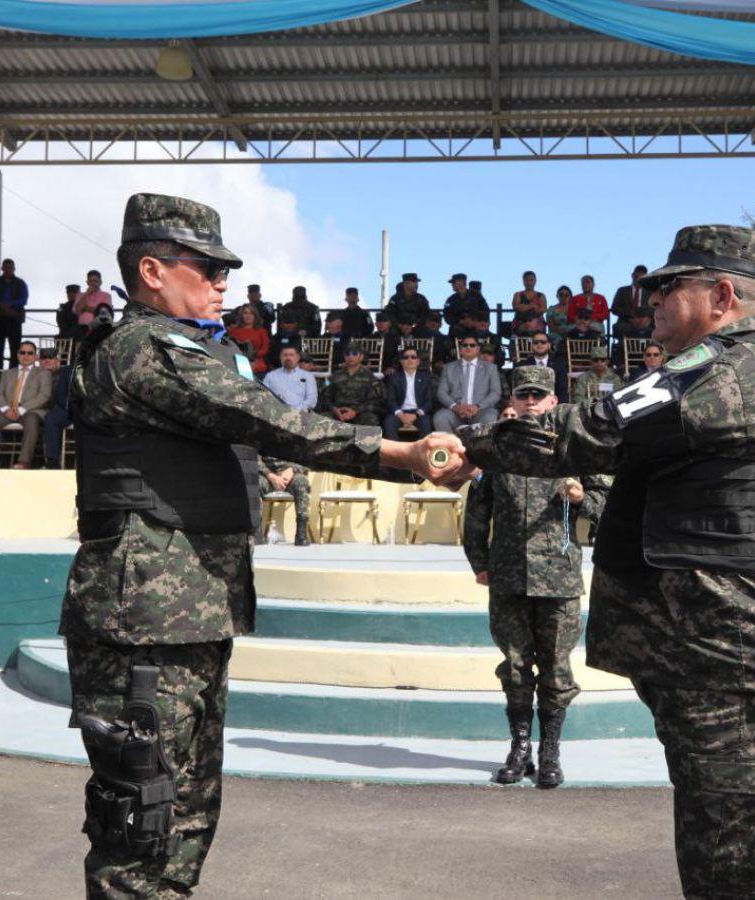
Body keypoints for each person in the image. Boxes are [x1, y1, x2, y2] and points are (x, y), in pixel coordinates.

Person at [61, 193, 463, 897]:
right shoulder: (143, 348)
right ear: (151, 270)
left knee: (186, 810)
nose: (223, 282)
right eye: (206, 266)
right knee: (141, 817)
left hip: (186, 610)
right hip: (144, 619)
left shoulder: (190, 346)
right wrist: (401, 454)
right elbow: (273, 421)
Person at [457, 225, 755, 898]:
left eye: (667, 287)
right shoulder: (738, 363)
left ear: (721, 295)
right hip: (729, 650)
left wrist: (467, 445)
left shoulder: (729, 366)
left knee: (740, 871)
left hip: (742, 655)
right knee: (725, 859)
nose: (651, 300)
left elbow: (597, 428)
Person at [463, 366, 606, 789]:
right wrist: (479, 562)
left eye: (538, 395)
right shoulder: (496, 450)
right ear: (514, 400)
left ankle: (550, 751)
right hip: (508, 574)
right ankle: (519, 747)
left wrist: (583, 498)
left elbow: (605, 503)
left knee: (557, 670)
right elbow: (476, 515)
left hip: (559, 578)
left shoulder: (575, 450)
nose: (530, 402)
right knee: (515, 667)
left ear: (553, 403)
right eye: (523, 395)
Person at [0, 341, 53, 469]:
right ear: (17, 355)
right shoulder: (8, 373)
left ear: (35, 357)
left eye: (30, 353)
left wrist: (21, 409)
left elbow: (44, 396)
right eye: (22, 352)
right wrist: (6, 410)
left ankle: (24, 462)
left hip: (30, 410)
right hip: (9, 410)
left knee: (32, 421)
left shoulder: (43, 373)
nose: (26, 356)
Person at [434, 336, 501, 432]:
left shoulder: (490, 368)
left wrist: (478, 407)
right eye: (465, 345)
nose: (468, 347)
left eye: (472, 345)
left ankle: (482, 447)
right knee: (440, 417)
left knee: (490, 418)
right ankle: (450, 446)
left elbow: (496, 393)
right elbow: (441, 392)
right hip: (456, 412)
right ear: (460, 349)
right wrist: (455, 407)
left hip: (481, 411)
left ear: (478, 349)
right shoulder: (449, 368)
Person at [318, 345, 384, 427]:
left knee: (371, 420)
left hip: (360, 414)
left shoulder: (370, 377)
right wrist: (334, 409)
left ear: (361, 357)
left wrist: (355, 411)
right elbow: (325, 398)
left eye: (355, 353)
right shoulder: (335, 376)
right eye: (347, 354)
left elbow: (377, 402)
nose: (350, 356)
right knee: (320, 420)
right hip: (337, 413)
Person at [254, 455, 313, 545]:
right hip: (267, 475)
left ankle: (301, 534)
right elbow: (254, 457)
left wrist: (292, 470)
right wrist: (270, 475)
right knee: (254, 485)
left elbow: (307, 457)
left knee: (302, 482)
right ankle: (256, 534)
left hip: (290, 475)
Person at [384, 346, 434, 439]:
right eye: (406, 357)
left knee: (426, 423)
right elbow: (390, 401)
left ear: (418, 361)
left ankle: (422, 452)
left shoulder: (425, 378)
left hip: (418, 413)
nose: (409, 359)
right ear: (401, 361)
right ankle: (394, 452)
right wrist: (401, 415)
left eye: (413, 357)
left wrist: (416, 415)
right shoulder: (394, 378)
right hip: (399, 412)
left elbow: (429, 402)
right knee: (389, 422)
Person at [0, 259, 28, 369]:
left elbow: (23, 300)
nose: (8, 270)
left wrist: (10, 305)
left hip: (14, 319)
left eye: (11, 268)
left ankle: (14, 372)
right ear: (2, 269)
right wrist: (1, 305)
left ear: (14, 269)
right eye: (6, 268)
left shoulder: (21, 283)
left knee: (15, 348)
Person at [42, 348, 75, 469]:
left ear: (57, 360)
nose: (47, 361)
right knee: (51, 418)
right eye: (44, 359)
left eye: (50, 358)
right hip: (66, 409)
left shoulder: (67, 371)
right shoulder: (37, 373)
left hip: (90, 410)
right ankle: (52, 461)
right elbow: (60, 395)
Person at [516, 331, 569, 403]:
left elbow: (563, 390)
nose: (539, 344)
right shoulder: (522, 365)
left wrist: (561, 409)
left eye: (543, 342)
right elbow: (519, 391)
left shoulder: (559, 364)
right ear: (532, 345)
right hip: (529, 404)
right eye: (536, 342)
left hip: (552, 405)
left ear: (549, 345)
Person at [263, 345, 317, 412]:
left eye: (291, 355)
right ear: (280, 357)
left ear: (298, 357)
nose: (288, 357)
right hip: (276, 415)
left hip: (301, 415)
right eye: (285, 355)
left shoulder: (308, 376)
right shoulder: (270, 376)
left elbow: (312, 400)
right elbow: (264, 397)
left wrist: (294, 411)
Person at [226, 303, 270, 376]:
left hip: (257, 365)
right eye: (245, 313)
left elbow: (265, 348)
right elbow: (228, 347)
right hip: (238, 364)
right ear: (241, 315)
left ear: (255, 316)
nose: (248, 316)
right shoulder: (233, 331)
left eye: (251, 313)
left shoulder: (261, 331)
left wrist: (253, 355)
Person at [609, 264, 650, 337]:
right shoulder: (622, 291)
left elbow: (656, 308)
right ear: (632, 276)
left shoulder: (650, 292)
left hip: (646, 322)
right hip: (626, 321)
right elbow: (614, 309)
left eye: (642, 278)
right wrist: (630, 314)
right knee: (620, 328)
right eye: (637, 277)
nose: (639, 280)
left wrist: (646, 317)